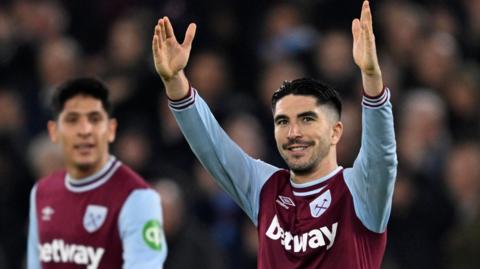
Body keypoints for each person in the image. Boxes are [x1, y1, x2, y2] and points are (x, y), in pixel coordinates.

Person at [152, 0, 397, 268]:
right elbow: (214, 148)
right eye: (282, 121)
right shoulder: (266, 187)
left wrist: (372, 81)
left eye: (306, 119)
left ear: (335, 131)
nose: (293, 132)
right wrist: (175, 81)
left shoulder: (359, 192)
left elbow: (381, 157)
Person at [26, 78, 167, 268]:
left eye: (94, 119)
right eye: (72, 120)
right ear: (54, 132)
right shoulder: (42, 192)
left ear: (111, 129)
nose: (84, 131)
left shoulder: (137, 197)